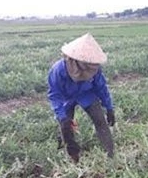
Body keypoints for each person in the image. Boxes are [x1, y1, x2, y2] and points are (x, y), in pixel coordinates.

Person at [47, 33, 115, 163]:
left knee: (100, 121)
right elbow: (55, 95)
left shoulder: (94, 68)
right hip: (66, 97)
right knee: (65, 125)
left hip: (86, 94)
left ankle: (111, 155)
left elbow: (101, 88)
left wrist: (109, 107)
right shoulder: (58, 70)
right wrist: (62, 117)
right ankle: (72, 157)